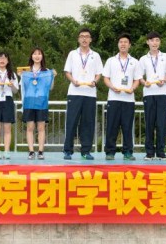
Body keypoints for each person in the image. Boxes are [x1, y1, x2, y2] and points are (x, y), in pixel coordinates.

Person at [63, 28, 103, 160]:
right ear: (78, 39)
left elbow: (99, 73)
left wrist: (95, 82)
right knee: (71, 121)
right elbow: (67, 71)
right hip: (74, 92)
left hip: (90, 93)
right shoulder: (72, 54)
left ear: (91, 39)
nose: (84, 39)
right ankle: (68, 150)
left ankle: (86, 150)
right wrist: (72, 80)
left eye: (87, 36)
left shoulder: (95, 55)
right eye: (82, 36)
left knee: (88, 122)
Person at [102, 33, 142, 160]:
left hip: (128, 99)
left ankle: (128, 152)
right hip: (114, 98)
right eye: (121, 42)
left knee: (127, 126)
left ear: (129, 45)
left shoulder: (135, 62)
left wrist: (133, 88)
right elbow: (106, 78)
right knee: (112, 126)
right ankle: (110, 152)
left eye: (125, 42)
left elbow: (137, 79)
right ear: (118, 44)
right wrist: (112, 87)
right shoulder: (111, 61)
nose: (123, 44)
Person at [138, 31, 166, 160]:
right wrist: (143, 82)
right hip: (149, 93)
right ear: (148, 42)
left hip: (162, 93)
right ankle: (149, 152)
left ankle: (161, 151)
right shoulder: (143, 59)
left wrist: (165, 80)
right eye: (152, 40)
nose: (154, 43)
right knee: (149, 123)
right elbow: (139, 76)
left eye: (157, 40)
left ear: (160, 42)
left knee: (162, 123)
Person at [20, 48, 55, 160]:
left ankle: (40, 151)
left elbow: (50, 88)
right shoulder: (26, 71)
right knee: (30, 127)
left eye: (39, 53)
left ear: (42, 56)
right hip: (29, 102)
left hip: (42, 102)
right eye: (34, 54)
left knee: (41, 127)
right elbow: (22, 88)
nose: (37, 56)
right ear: (31, 56)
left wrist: (53, 77)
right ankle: (31, 151)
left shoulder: (47, 71)